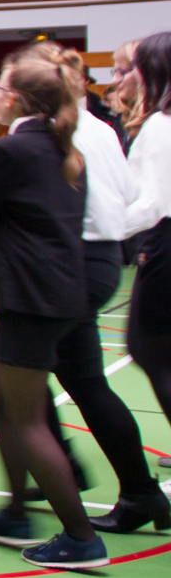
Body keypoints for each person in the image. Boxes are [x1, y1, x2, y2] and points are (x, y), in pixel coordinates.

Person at [0, 43, 107, 569]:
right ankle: (14, 512)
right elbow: (36, 223)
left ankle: (80, 537)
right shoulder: (62, 148)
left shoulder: (13, 150)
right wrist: (0, 254)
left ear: (14, 99)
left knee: (27, 418)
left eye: (0, 88)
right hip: (56, 294)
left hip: (33, 302)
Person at [37, 50, 162, 534]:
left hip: (75, 262)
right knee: (84, 381)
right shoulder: (103, 129)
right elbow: (128, 194)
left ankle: (61, 477)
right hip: (100, 259)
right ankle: (140, 492)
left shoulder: (62, 132)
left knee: (14, 377)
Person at [120, 34, 171, 479]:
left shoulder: (158, 126)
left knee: (147, 347)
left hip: (165, 244)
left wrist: (97, 230)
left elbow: (150, 204)